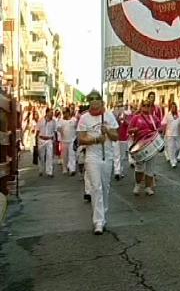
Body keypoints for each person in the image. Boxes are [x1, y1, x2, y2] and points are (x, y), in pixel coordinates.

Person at [77, 90, 119, 235]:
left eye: (97, 100)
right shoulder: (84, 118)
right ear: (89, 102)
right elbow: (81, 139)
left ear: (101, 102)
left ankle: (103, 215)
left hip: (107, 156)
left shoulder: (108, 116)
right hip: (92, 156)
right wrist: (95, 140)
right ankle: (98, 222)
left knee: (105, 187)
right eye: (91, 100)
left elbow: (115, 137)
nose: (94, 102)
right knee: (96, 187)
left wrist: (106, 131)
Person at [128, 99, 163, 196]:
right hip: (139, 145)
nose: (146, 107)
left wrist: (158, 131)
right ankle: (137, 185)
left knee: (150, 168)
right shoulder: (136, 118)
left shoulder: (154, 118)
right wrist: (133, 130)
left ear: (151, 107)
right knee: (139, 167)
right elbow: (129, 130)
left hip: (151, 145)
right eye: (144, 105)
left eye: (148, 105)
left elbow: (160, 128)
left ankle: (148, 187)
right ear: (141, 106)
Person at [162, 102, 180, 168]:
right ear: (170, 108)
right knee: (171, 148)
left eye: (174, 107)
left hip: (178, 134)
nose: (173, 108)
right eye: (172, 107)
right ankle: (173, 162)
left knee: (178, 148)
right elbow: (163, 123)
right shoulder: (167, 114)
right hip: (169, 134)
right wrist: (163, 130)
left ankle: (174, 157)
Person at [36, 108, 57, 177]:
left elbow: (54, 131)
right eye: (51, 113)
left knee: (49, 156)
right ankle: (41, 169)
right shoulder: (41, 121)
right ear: (47, 113)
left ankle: (49, 171)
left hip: (49, 140)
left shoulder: (53, 122)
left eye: (52, 113)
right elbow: (37, 131)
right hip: (41, 139)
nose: (52, 114)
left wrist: (55, 141)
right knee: (41, 156)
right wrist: (36, 142)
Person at [58, 107, 77, 176]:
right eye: (63, 113)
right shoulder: (61, 120)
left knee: (72, 155)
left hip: (72, 140)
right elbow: (58, 128)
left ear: (68, 113)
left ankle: (72, 169)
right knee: (64, 156)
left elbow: (76, 127)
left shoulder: (74, 120)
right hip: (64, 141)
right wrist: (60, 131)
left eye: (65, 113)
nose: (64, 114)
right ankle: (65, 168)